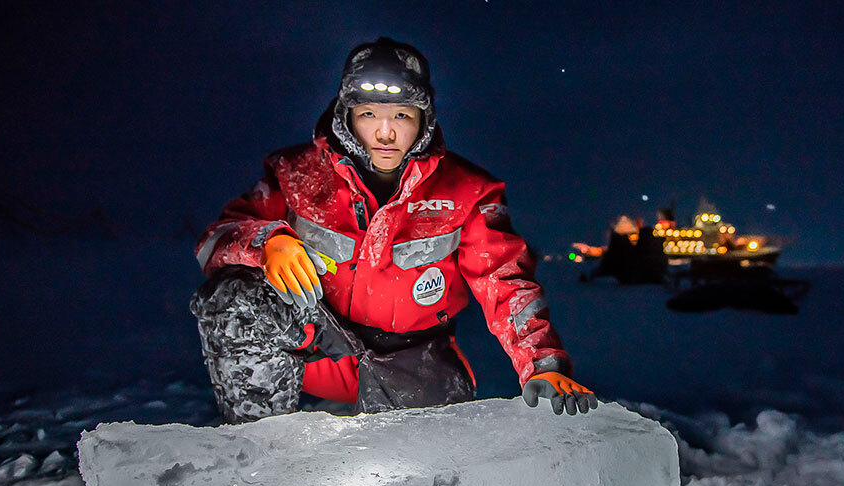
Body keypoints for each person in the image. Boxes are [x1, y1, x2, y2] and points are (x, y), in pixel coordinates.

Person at [190, 37, 596, 422]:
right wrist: (266, 242)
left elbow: (505, 281)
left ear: (424, 119)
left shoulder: (469, 192)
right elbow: (216, 237)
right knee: (233, 298)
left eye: (401, 115)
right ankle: (260, 450)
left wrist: (543, 364)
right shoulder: (295, 173)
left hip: (413, 361)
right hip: (319, 347)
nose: (385, 133)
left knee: (432, 466)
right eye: (369, 114)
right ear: (346, 117)